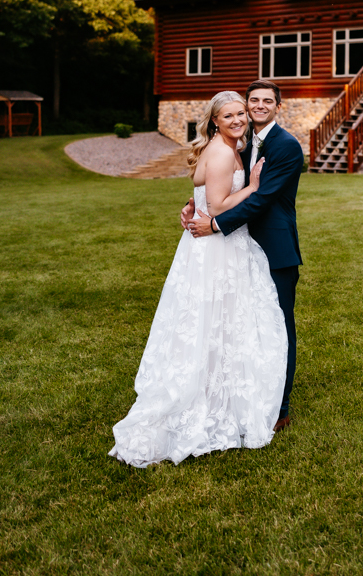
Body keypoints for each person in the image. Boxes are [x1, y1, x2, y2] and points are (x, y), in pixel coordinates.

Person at [109, 91, 287, 468]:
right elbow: (219, 205)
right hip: (217, 245)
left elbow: (203, 191)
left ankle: (213, 389)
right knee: (219, 320)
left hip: (210, 244)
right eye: (229, 115)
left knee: (212, 322)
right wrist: (253, 187)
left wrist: (195, 204)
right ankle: (209, 401)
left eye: (241, 112)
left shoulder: (225, 148)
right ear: (215, 122)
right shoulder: (224, 152)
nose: (239, 119)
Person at [184, 80, 304, 431]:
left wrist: (215, 223)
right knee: (246, 326)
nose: (259, 106)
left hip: (275, 248)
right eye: (254, 101)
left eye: (268, 101)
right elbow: (220, 183)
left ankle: (279, 407)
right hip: (241, 250)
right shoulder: (241, 141)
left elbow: (261, 198)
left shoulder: (286, 146)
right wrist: (195, 205)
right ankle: (245, 394)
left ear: (279, 106)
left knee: (280, 326)